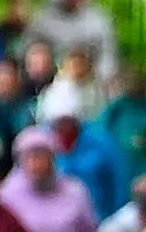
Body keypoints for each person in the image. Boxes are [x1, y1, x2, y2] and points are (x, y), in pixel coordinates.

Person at [40, 87, 127, 220]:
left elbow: (117, 183)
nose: (63, 127)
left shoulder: (101, 142)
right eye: (58, 122)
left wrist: (114, 218)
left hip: (98, 217)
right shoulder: (41, 141)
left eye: (67, 121)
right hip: (54, 220)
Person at [25, 0, 117, 82]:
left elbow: (108, 56)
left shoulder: (99, 20)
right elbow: (28, 48)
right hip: (48, 79)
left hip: (88, 81)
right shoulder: (42, 18)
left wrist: (100, 78)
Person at [98, 66, 146, 187]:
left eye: (139, 81)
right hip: (118, 167)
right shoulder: (115, 111)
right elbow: (100, 135)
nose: (135, 84)